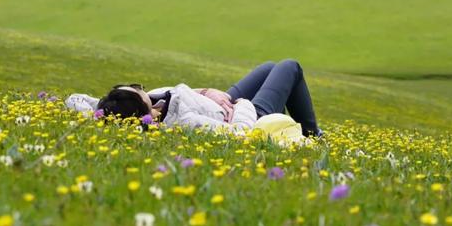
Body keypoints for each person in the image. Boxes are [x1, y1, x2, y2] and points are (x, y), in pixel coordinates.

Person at [97, 59, 322, 137]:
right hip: (245, 115)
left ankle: (292, 128)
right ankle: (313, 136)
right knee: (289, 67)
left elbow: (77, 99)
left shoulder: (155, 100)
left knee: (269, 68)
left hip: (217, 101)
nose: (143, 88)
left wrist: (206, 92)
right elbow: (240, 133)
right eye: (138, 89)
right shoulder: (183, 122)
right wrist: (240, 104)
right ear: (142, 109)